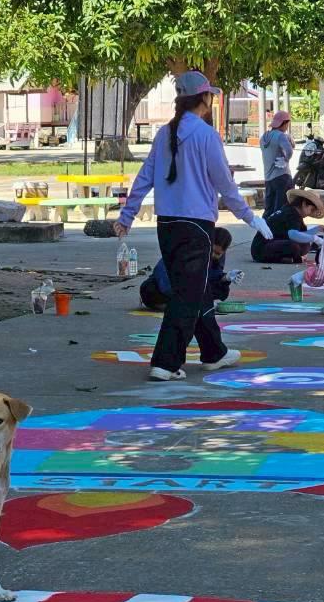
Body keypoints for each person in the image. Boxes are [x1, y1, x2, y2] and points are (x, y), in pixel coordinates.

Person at [116, 71, 272, 382]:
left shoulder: (164, 134)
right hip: (196, 225)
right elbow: (224, 183)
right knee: (187, 296)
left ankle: (214, 351)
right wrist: (250, 217)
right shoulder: (205, 135)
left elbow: (144, 177)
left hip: (168, 224)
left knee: (194, 289)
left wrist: (127, 215)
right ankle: (166, 361)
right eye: (210, 95)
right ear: (203, 98)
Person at [140, 228, 238, 311]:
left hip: (191, 290)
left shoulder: (218, 258)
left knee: (222, 289)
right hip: (172, 287)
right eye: (211, 251)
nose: (213, 255)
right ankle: (182, 306)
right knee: (149, 288)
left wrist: (225, 278)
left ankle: (185, 306)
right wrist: (185, 296)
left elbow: (212, 276)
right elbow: (162, 272)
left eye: (218, 254)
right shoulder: (188, 247)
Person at [250, 187, 324, 263]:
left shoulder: (292, 211)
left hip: (269, 245)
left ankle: (286, 258)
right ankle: (292, 259)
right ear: (304, 204)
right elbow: (293, 235)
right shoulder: (291, 213)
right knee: (293, 247)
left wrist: (317, 229)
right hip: (261, 249)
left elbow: (301, 235)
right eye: (311, 210)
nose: (310, 213)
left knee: (304, 244)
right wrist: (316, 239)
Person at [260, 111, 294, 216]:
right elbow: (289, 151)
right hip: (282, 176)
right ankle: (279, 231)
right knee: (282, 209)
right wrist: (286, 159)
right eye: (287, 124)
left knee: (269, 210)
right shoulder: (280, 136)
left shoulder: (264, 137)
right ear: (284, 123)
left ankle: (264, 231)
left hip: (268, 178)